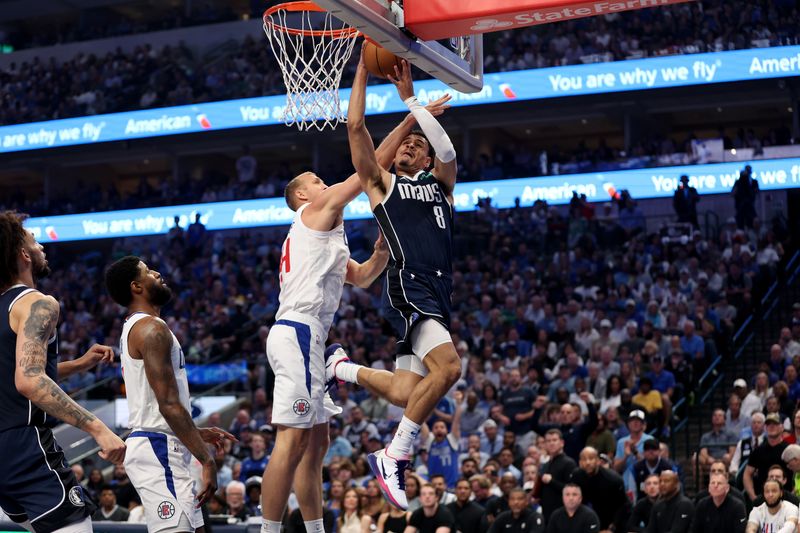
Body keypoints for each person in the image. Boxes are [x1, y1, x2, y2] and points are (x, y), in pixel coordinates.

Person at [263, 94, 450, 529]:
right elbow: (367, 167)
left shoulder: (323, 234)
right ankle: (268, 529)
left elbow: (363, 277)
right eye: (316, 179)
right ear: (301, 196)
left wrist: (383, 252)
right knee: (290, 444)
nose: (323, 181)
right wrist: (409, 121)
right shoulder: (314, 211)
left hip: (309, 334)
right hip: (299, 330)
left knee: (316, 445)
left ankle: (314, 528)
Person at [341, 44, 461, 510]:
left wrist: (413, 103)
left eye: (417, 146)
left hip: (438, 289)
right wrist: (362, 74)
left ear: (427, 161)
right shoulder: (383, 185)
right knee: (450, 368)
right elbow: (356, 129)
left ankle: (341, 368)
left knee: (406, 392)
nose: (410, 146)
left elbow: (446, 147)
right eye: (405, 145)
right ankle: (395, 454)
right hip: (409, 284)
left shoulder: (441, 186)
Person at [0, 211, 126, 533]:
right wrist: (98, 428)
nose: (42, 246)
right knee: (75, 523)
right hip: (26, 443)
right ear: (24, 255)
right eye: (34, 241)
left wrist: (79, 365)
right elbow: (28, 380)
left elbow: (15, 372)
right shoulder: (38, 303)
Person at [105, 256, 237, 532]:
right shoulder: (151, 329)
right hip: (159, 449)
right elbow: (167, 403)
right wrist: (207, 459)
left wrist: (194, 431)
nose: (157, 272)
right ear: (136, 287)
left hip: (163, 443)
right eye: (148, 272)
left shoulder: (139, 326)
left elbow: (153, 403)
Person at [569, 446, 630, 532]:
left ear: (598, 461)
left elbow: (624, 505)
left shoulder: (613, 479)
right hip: (589, 519)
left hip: (611, 520)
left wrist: (613, 527)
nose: (588, 462)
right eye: (584, 459)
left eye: (591, 458)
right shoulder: (576, 476)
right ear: (579, 462)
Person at [744, 413, 791, 501]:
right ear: (765, 428)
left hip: (786, 499)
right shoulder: (758, 450)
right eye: (768, 424)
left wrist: (793, 495)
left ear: (782, 427)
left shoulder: (789, 449)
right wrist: (753, 496)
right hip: (763, 499)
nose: (771, 427)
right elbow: (747, 474)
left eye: (775, 424)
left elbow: (797, 473)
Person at [537, 429, 577, 522]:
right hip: (547, 513)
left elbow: (573, 490)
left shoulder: (569, 463)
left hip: (563, 514)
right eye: (548, 441)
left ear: (562, 443)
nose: (551, 443)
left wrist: (552, 481)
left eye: (554, 440)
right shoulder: (545, 465)